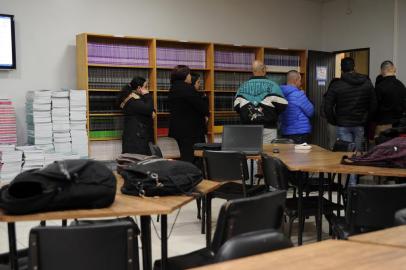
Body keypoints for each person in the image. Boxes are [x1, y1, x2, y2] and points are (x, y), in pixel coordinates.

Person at [323, 57, 376, 152]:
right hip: (360, 123)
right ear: (354, 67)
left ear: (341, 69)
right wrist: (367, 119)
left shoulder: (336, 85)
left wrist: (334, 121)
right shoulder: (367, 83)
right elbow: (373, 105)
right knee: (358, 154)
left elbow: (327, 107)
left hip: (343, 123)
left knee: (346, 154)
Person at [234, 60, 288, 143]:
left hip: (248, 129)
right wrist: (272, 114)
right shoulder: (274, 86)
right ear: (264, 70)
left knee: (250, 153)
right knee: (268, 154)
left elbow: (236, 107)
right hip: (268, 128)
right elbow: (283, 105)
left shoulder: (242, 87)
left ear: (253, 71)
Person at [168, 65, 209, 162]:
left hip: (179, 129)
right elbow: (202, 108)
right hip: (191, 131)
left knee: (185, 155)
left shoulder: (173, 88)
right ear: (185, 76)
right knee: (193, 157)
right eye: (189, 74)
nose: (190, 76)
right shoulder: (188, 89)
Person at [118, 76, 155, 155]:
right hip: (136, 137)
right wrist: (147, 95)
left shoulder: (133, 97)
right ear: (139, 88)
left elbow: (148, 109)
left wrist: (151, 111)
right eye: (145, 87)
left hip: (135, 135)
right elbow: (148, 109)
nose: (147, 89)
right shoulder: (133, 100)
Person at [280, 70, 314, 144]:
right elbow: (311, 111)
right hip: (300, 132)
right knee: (300, 155)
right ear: (296, 80)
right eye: (300, 80)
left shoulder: (280, 94)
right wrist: (303, 95)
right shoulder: (298, 95)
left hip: (285, 131)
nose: (301, 83)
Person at [374, 60, 406, 137]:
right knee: (396, 147)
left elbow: (374, 106)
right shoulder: (401, 85)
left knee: (381, 147)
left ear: (381, 71)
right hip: (399, 125)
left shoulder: (379, 87)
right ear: (394, 69)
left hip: (383, 124)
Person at [190, 72, 209, 143]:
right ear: (192, 83)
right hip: (195, 129)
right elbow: (203, 109)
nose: (200, 84)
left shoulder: (199, 94)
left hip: (199, 129)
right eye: (198, 82)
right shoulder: (194, 95)